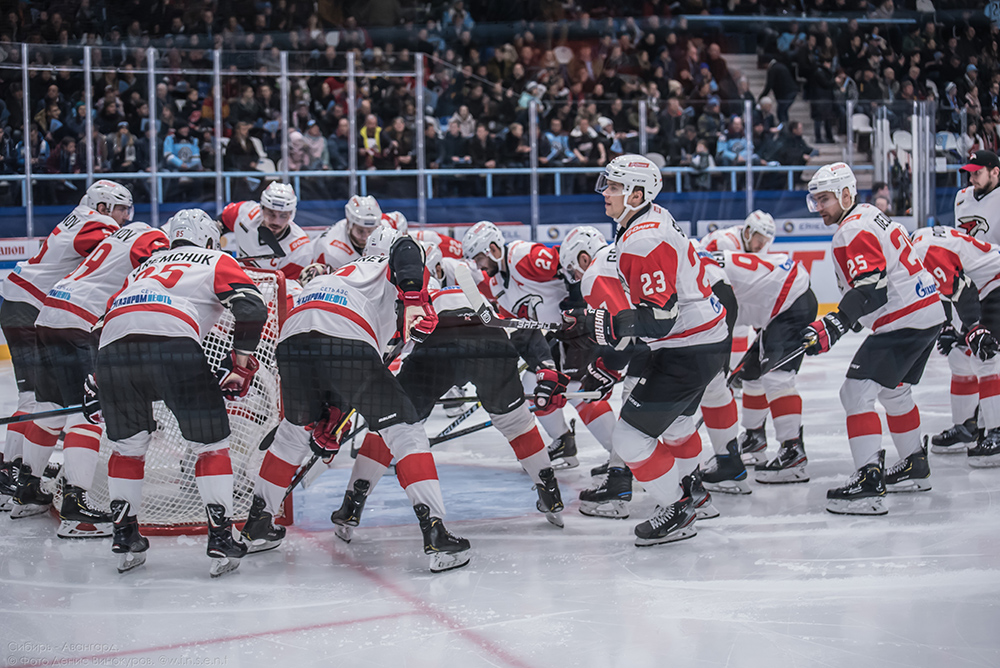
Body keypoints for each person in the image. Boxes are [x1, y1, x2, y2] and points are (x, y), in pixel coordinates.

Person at [241, 229, 472, 572]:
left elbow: (340, 360)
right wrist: (414, 298)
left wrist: (333, 412)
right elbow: (408, 250)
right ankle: (435, 531)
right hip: (343, 332)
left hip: (293, 337)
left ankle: (257, 524)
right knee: (405, 430)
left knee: (293, 433)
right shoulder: (394, 265)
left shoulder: (344, 273)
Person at [327, 229, 566, 542]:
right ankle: (550, 494)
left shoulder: (402, 289)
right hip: (488, 342)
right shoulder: (478, 286)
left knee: (390, 424)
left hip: (436, 345)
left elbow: (390, 346)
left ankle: (351, 506)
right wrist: (545, 367)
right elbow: (518, 329)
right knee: (516, 421)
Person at [561, 155, 731, 546]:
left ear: (638, 193)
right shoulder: (644, 221)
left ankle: (679, 507)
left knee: (629, 441)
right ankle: (695, 493)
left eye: (615, 187)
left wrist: (598, 324)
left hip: (688, 346)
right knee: (674, 425)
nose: (606, 193)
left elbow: (659, 319)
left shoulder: (643, 239)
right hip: (699, 340)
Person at [95, 208, 268, 576]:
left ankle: (124, 533)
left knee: (128, 446)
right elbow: (252, 306)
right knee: (211, 445)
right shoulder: (215, 257)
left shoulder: (142, 269)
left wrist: (95, 377)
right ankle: (221, 537)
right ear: (208, 238)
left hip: (111, 349)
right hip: (173, 344)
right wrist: (239, 363)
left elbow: (103, 319)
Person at [800, 163, 944, 515]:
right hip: (927, 313)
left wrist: (836, 321)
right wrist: (848, 319)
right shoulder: (870, 215)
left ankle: (868, 483)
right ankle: (914, 465)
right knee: (894, 391)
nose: (820, 207)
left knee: (855, 392)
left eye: (825, 199)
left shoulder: (852, 229)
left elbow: (871, 288)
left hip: (903, 319)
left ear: (846, 194)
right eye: (815, 199)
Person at [27, 222, 169, 536]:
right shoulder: (156, 240)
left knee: (49, 409)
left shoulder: (126, 232)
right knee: (87, 415)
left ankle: (27, 490)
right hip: (80, 319)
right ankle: (76, 512)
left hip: (49, 312)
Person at [0, 180, 131, 514]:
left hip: (25, 305)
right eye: (121, 209)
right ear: (103, 207)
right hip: (33, 308)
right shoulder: (98, 224)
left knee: (39, 399)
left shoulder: (79, 216)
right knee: (39, 401)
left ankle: (15, 477)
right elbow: (111, 255)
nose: (125, 217)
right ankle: (11, 475)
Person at [710, 249, 818, 483]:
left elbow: (723, 320)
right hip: (778, 302)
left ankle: (793, 453)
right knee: (753, 374)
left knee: (777, 378)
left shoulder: (697, 271)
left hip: (789, 302)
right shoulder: (699, 259)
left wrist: (717, 368)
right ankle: (754, 438)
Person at [911, 226, 1000, 467]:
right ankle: (966, 428)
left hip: (994, 283)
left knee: (985, 356)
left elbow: (962, 291)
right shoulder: (917, 241)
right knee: (959, 357)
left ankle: (997, 433)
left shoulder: (920, 251)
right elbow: (950, 287)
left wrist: (972, 328)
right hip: (982, 288)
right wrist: (950, 326)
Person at [218, 182, 312, 281]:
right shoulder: (244, 214)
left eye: (283, 215)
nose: (276, 222)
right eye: (271, 213)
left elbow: (291, 289)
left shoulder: (300, 248)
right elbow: (218, 224)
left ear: (291, 215)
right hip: (237, 280)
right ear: (262, 209)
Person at [311, 195, 383, 269]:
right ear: (349, 223)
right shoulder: (331, 252)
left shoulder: (385, 225)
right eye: (360, 231)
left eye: (370, 231)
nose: (365, 237)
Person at [953, 150, 1000, 245]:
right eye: (970, 174)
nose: (971, 180)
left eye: (977, 173)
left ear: (995, 172)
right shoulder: (961, 196)